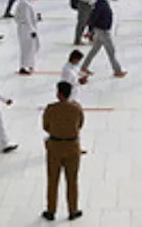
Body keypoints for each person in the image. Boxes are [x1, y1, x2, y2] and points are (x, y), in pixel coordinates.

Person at [42, 79, 85, 222]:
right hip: (72, 146)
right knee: (72, 180)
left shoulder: (51, 108)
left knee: (52, 180)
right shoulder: (77, 108)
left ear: (59, 94)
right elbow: (80, 124)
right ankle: (73, 210)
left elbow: (45, 126)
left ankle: (51, 210)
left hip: (55, 146)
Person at [80, 0, 126, 78]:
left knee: (94, 50)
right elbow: (93, 17)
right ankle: (117, 71)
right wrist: (90, 31)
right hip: (103, 31)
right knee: (111, 51)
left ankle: (84, 67)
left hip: (100, 31)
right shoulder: (100, 3)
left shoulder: (103, 1)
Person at [14, 0, 40, 74]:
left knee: (31, 47)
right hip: (26, 29)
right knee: (27, 48)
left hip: (26, 28)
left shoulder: (27, 2)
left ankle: (29, 65)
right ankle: (24, 67)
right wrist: (31, 30)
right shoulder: (25, 3)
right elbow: (27, 18)